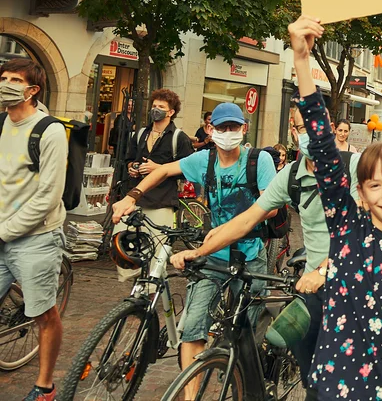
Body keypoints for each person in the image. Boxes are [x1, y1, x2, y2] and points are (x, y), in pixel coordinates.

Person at [288, 15, 382, 401]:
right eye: (375, 184)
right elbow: (323, 149)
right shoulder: (348, 229)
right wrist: (301, 61)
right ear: (360, 192)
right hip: (326, 390)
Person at [110, 101, 276, 378]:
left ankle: (247, 376)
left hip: (249, 254)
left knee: (249, 333)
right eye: (221, 127)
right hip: (212, 256)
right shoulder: (204, 160)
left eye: (233, 127)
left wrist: (229, 231)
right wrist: (131, 196)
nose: (228, 132)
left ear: (244, 129)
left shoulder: (259, 160)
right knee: (192, 330)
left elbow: (270, 206)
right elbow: (163, 170)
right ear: (210, 130)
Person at [172, 103, 330, 386]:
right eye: (303, 127)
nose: (311, 134)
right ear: (294, 132)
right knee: (312, 380)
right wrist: (198, 251)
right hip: (311, 282)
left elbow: (369, 230)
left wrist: (326, 268)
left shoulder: (352, 166)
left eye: (317, 124)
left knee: (329, 374)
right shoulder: (290, 175)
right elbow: (247, 219)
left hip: (350, 286)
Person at [0, 59, 67, 401]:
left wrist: (5, 230)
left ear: (32, 90)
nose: (5, 83)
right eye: (3, 77)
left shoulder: (49, 130)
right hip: (1, 232)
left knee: (44, 314)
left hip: (36, 238)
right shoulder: (0, 123)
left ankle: (45, 386)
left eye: (14, 79)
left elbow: (48, 196)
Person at [118, 88, 194, 282]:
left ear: (171, 112)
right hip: (136, 199)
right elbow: (128, 158)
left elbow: (189, 170)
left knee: (156, 253)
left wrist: (159, 168)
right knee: (126, 246)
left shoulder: (179, 138)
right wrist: (132, 167)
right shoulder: (140, 133)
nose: (156, 110)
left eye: (161, 107)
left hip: (161, 201)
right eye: (154, 106)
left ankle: (152, 293)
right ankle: (137, 288)